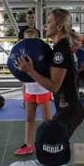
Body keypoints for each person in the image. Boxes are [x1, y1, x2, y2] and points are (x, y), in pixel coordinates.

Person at [15, 8, 84, 138]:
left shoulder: (60, 51)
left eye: (48, 22)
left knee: (50, 140)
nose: (45, 25)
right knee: (56, 142)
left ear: (59, 26)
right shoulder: (60, 48)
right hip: (66, 108)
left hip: (70, 110)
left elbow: (54, 86)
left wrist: (30, 71)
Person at [15, 28, 53, 156]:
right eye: (26, 40)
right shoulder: (22, 56)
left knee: (47, 120)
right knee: (29, 119)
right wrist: (23, 93)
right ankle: (28, 145)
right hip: (29, 90)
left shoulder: (43, 54)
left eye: (31, 39)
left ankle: (49, 143)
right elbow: (22, 76)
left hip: (43, 90)